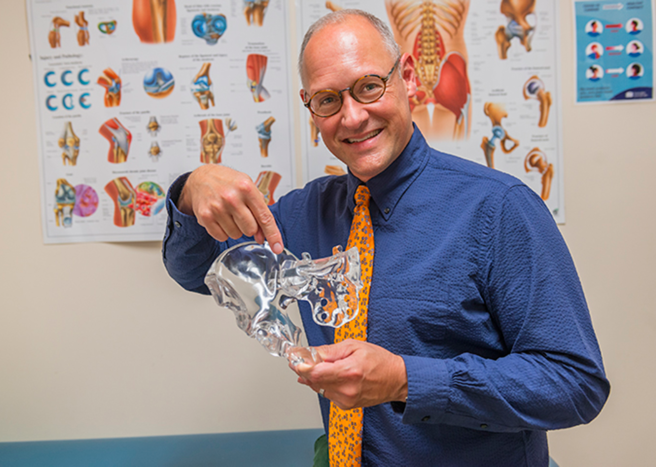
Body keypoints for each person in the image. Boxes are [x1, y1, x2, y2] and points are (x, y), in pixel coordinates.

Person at [162, 9, 610, 466]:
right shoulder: (304, 214)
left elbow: (575, 383)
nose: (353, 117)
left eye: (369, 86)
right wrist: (190, 189)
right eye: (328, 100)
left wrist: (406, 380)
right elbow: (197, 271)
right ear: (309, 106)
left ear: (409, 78)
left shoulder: (498, 209)